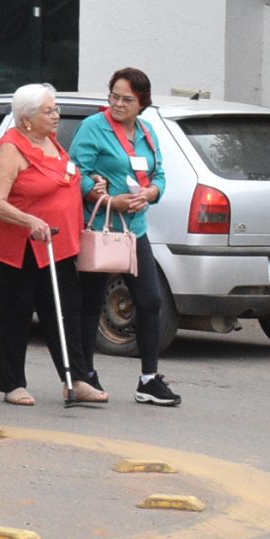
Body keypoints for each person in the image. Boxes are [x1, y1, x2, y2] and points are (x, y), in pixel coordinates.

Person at [0, 83, 101, 408]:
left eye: (55, 108)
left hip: (58, 244)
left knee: (66, 313)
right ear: (26, 118)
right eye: (49, 110)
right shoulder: (10, 148)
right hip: (20, 246)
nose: (56, 115)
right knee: (14, 314)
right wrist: (29, 221)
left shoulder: (51, 142)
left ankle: (76, 380)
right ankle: (12, 384)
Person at [73, 67, 181, 406]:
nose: (118, 104)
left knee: (150, 301)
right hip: (103, 229)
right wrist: (104, 197)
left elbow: (159, 174)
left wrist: (151, 193)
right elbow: (75, 172)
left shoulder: (147, 133)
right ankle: (84, 374)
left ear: (141, 104)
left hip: (135, 230)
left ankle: (148, 379)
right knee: (90, 303)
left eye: (127, 99)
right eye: (114, 96)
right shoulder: (94, 127)